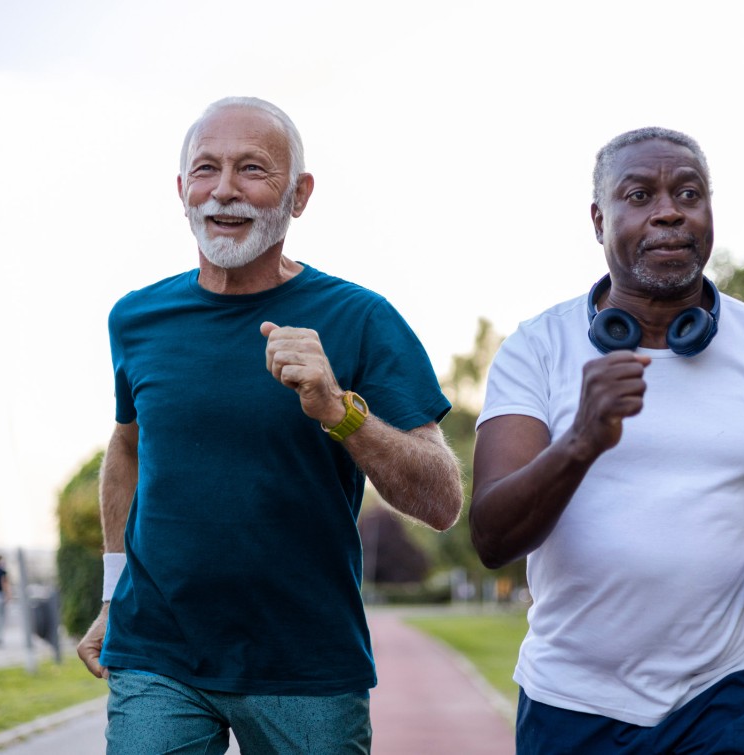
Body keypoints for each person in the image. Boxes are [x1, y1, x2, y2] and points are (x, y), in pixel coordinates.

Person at [76, 96, 464, 754]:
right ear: (181, 189)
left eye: (252, 169)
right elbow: (128, 445)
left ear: (300, 194)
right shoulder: (134, 318)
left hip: (305, 664)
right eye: (206, 169)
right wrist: (115, 595)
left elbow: (443, 498)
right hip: (158, 651)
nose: (224, 190)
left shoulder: (363, 319)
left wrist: (342, 412)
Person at [469, 128, 744, 754]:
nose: (669, 210)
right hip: (573, 702)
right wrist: (581, 443)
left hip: (732, 693)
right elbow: (491, 537)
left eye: (689, 193)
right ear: (600, 220)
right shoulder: (536, 349)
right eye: (640, 194)